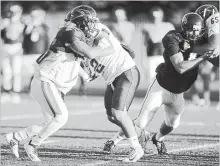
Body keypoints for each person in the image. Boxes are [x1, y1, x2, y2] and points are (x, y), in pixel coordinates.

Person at [103, 12, 215, 154]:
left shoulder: (201, 42)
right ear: (184, 28)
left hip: (178, 93)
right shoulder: (172, 37)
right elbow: (180, 67)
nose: (195, 33)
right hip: (161, 87)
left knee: (172, 124)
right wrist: (203, 57)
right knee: (141, 123)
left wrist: (213, 52)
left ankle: (158, 139)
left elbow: (212, 60)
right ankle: (113, 140)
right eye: (192, 30)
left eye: (198, 30)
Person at [4, 11, 91, 162]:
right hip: (46, 81)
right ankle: (32, 145)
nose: (91, 26)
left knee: (49, 123)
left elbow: (73, 61)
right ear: (80, 22)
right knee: (61, 117)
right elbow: (88, 53)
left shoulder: (71, 35)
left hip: (50, 83)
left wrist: (86, 76)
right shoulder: (69, 33)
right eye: (88, 22)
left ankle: (15, 137)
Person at [65, 5, 144, 162]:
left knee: (119, 113)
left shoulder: (99, 31)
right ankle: (142, 134)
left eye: (75, 23)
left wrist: (87, 55)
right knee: (112, 117)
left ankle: (137, 148)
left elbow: (105, 48)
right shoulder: (81, 35)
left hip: (125, 72)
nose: (72, 26)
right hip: (111, 78)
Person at [142, 7, 175, 82]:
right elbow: (144, 44)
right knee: (152, 79)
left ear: (161, 16)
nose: (156, 18)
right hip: (151, 56)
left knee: (166, 79)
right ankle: (153, 94)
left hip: (164, 56)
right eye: (154, 16)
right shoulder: (147, 27)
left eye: (158, 16)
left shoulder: (168, 26)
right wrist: (143, 59)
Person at [1, 3, 25, 103]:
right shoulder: (5, 22)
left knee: (16, 72)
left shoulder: (22, 22)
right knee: (7, 72)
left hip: (17, 47)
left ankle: (15, 92)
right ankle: (6, 92)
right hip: (6, 47)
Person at [23, 6, 50, 92]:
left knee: (38, 72)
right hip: (29, 53)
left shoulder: (44, 27)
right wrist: (31, 23)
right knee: (31, 72)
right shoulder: (28, 26)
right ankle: (32, 88)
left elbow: (47, 39)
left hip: (40, 53)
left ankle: (34, 88)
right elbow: (25, 34)